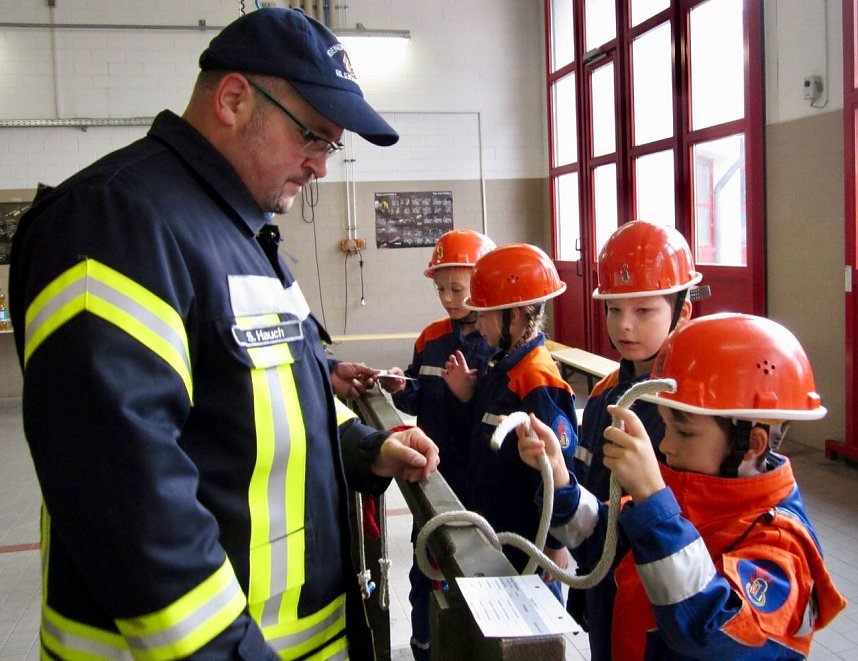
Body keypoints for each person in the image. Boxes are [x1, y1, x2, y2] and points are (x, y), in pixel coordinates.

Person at [8, 8, 439, 660]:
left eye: (331, 145)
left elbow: (270, 397)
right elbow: (131, 507)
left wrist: (363, 448)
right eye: (312, 136)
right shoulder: (115, 225)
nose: (321, 167)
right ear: (235, 99)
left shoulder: (242, 233)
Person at [517, 313, 847, 659]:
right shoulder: (686, 492)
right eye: (666, 426)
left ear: (751, 444)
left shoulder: (780, 547)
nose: (665, 445)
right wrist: (560, 480)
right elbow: (603, 543)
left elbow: (707, 630)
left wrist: (654, 506)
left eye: (684, 432)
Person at [568, 219, 709, 655]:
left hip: (665, 609)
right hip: (604, 594)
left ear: (682, 312)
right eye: (614, 309)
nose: (624, 326)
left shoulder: (694, 414)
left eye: (643, 310)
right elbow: (590, 496)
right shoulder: (603, 397)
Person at [379, 227, 496, 660]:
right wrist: (400, 387)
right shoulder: (430, 338)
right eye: (441, 288)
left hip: (477, 487)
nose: (448, 298)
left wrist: (469, 395)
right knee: (425, 574)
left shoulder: (494, 346)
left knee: (475, 578)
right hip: (432, 480)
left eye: (457, 289)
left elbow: (497, 421)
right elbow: (418, 394)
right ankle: (424, 648)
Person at [443, 243, 577, 602]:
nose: (477, 324)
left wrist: (554, 541)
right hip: (500, 530)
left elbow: (558, 467)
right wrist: (466, 396)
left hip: (528, 544)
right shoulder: (501, 366)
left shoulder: (537, 379)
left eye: (484, 315)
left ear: (514, 316)